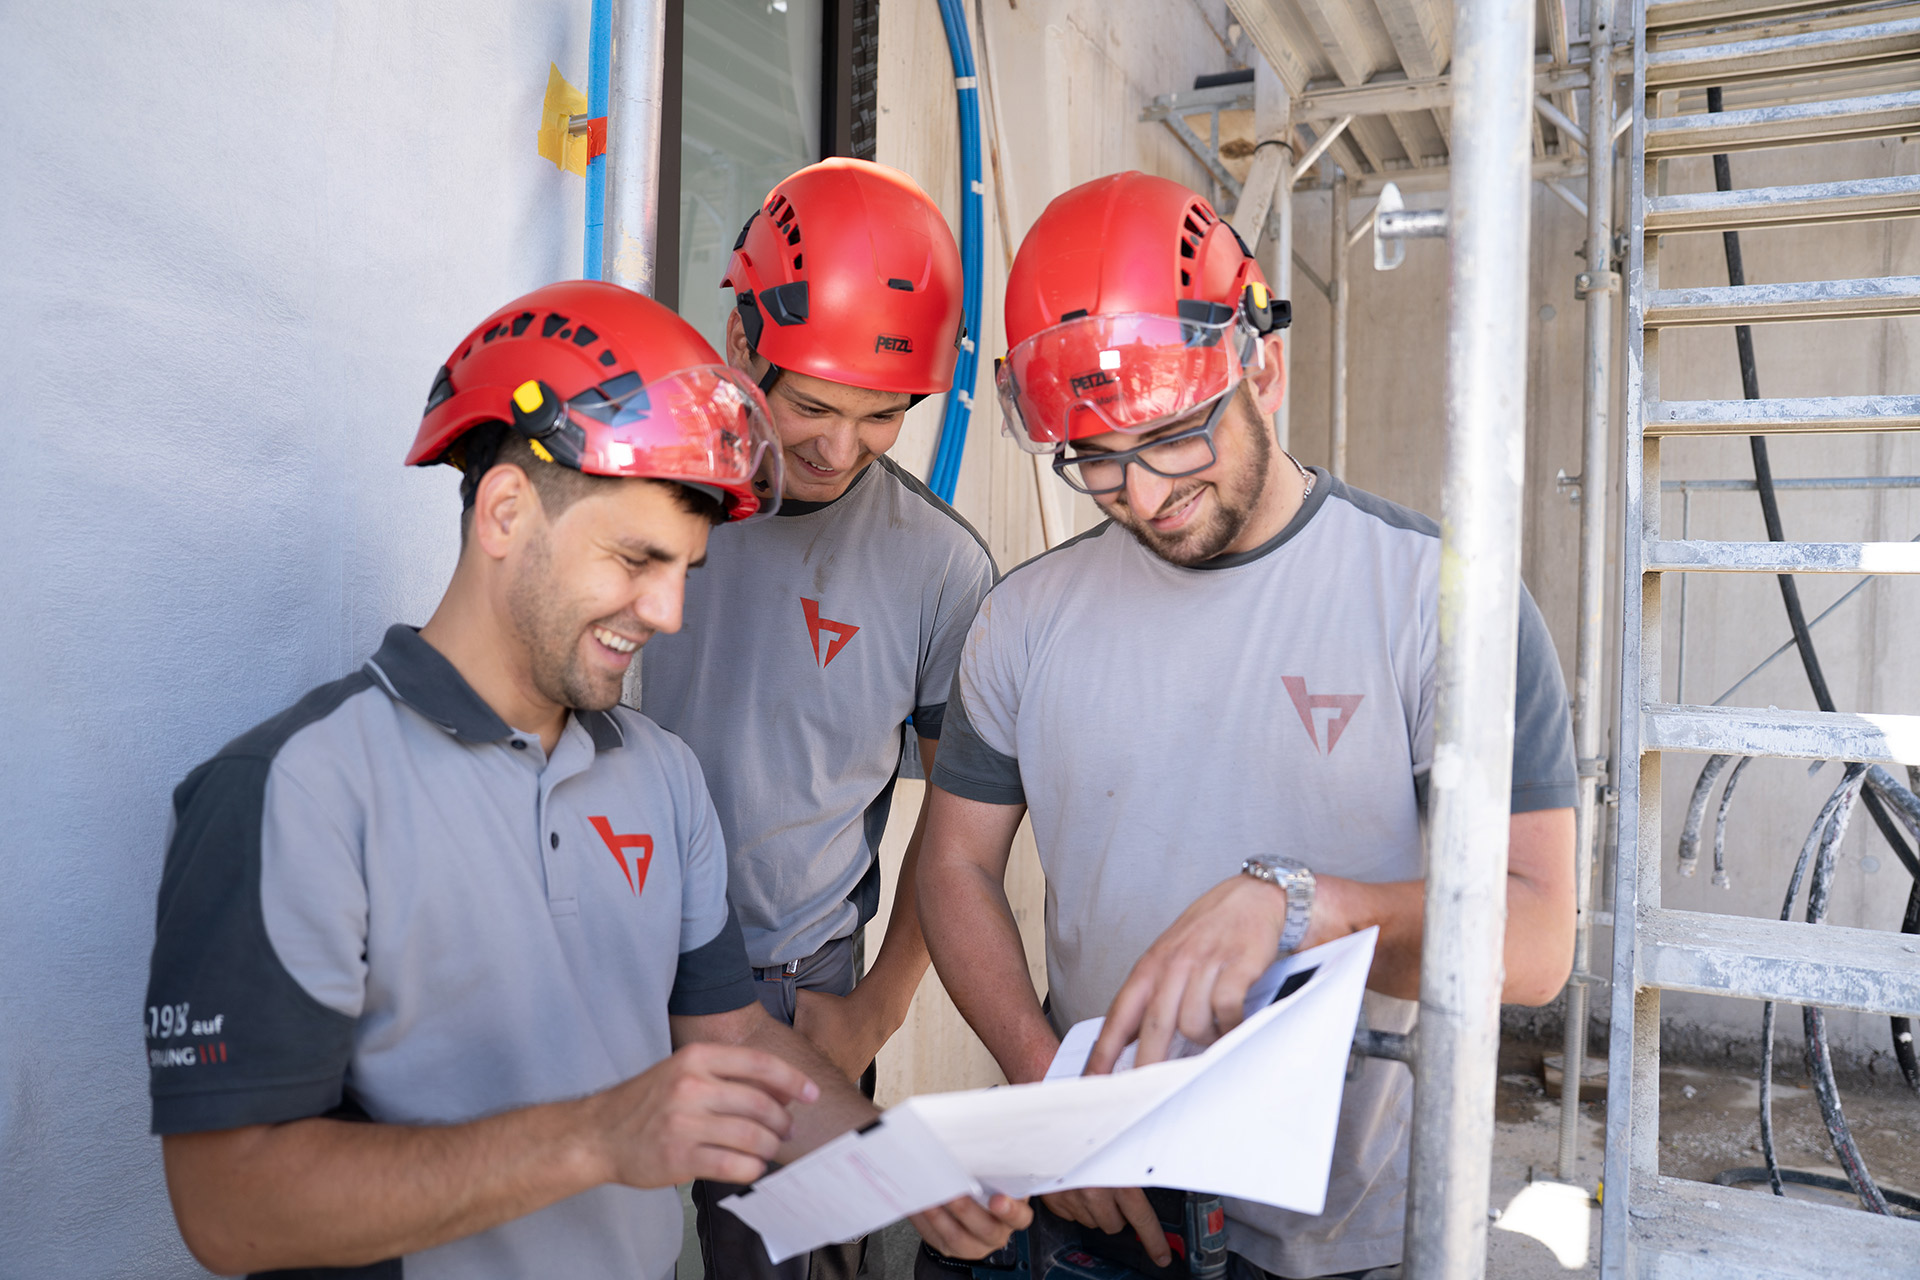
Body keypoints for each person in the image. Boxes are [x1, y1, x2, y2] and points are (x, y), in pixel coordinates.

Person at [144, 280, 1026, 1279]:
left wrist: (897, 1162)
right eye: (636, 558)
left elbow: (732, 1038)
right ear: (507, 510)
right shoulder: (290, 792)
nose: (667, 611)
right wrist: (596, 1137)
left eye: (685, 567)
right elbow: (228, 1208)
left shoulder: (661, 776)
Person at [917, 172, 1577, 1280]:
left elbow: (1536, 939)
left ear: (1260, 361)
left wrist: (1302, 907)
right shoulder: (1024, 620)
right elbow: (951, 864)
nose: (1140, 491)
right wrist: (1044, 1081)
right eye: (1096, 457)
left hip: (1336, 1228)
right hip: (1094, 1185)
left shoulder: (1439, 602)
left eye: (1173, 434)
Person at [638, 156, 1000, 1280]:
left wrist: (876, 1009)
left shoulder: (941, 570)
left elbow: (963, 828)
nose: (838, 449)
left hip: (795, 985)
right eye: (811, 407)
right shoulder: (641, 486)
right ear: (743, 339)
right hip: (597, 948)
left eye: (882, 415)